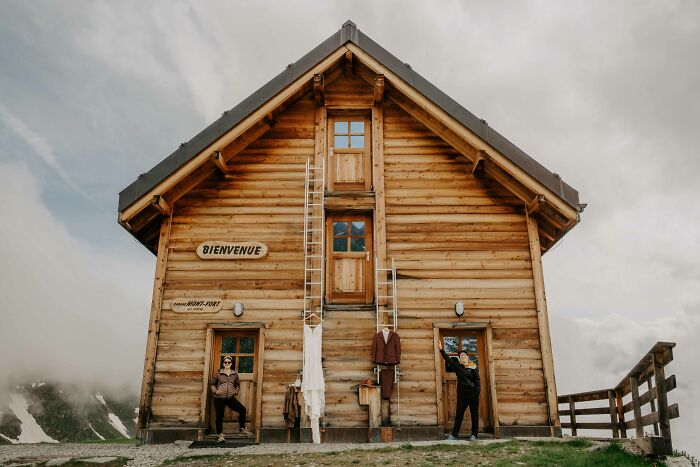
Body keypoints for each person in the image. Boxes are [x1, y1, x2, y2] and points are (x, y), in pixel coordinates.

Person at [437, 340, 481, 440]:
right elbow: (448, 359)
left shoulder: (473, 367)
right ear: (459, 358)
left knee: (474, 415)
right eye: (461, 356)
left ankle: (474, 435)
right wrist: (441, 349)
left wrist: (476, 393)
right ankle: (454, 435)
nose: (463, 357)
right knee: (459, 415)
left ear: (467, 357)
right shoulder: (458, 367)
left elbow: (478, 382)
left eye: (464, 356)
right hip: (462, 396)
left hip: (473, 395)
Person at [210, 357, 252, 441]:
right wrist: (216, 391)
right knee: (219, 416)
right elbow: (212, 384)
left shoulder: (234, 375)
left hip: (230, 398)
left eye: (229, 362)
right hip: (219, 398)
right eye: (225, 362)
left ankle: (242, 428)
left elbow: (238, 385)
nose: (227, 364)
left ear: (231, 364)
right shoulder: (218, 373)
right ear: (223, 363)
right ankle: (220, 435)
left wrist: (236, 391)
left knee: (242, 410)